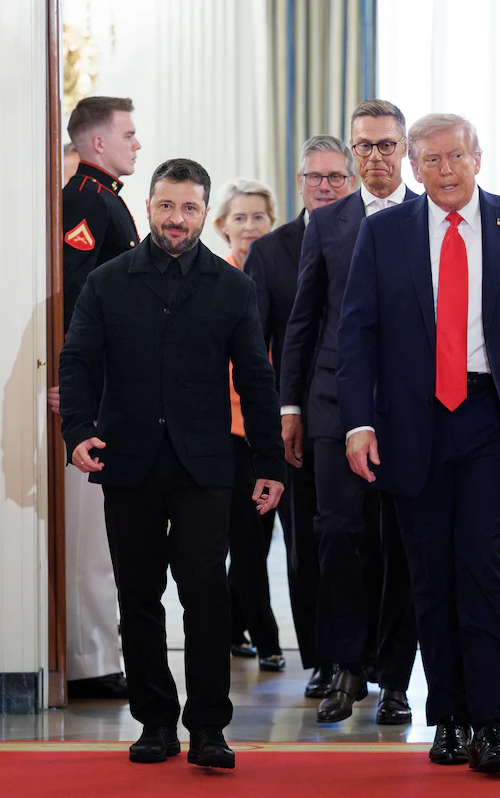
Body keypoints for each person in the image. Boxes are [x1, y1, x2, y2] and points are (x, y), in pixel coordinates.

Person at [337, 113, 500, 773]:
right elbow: (356, 334)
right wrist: (358, 422)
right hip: (410, 424)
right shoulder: (384, 232)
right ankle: (448, 716)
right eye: (432, 161)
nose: (446, 171)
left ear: (478, 158)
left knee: (484, 565)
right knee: (430, 574)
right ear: (413, 168)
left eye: (457, 157)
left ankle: (493, 722)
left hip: (493, 416)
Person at [59, 158, 285, 769]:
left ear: (204, 212)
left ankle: (209, 727)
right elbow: (77, 361)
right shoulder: (107, 282)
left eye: (188, 207)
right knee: (138, 596)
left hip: (205, 468)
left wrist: (269, 461)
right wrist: (76, 430)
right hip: (127, 463)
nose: (176, 218)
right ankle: (155, 722)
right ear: (150, 208)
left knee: (206, 595)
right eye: (166, 205)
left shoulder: (233, 287)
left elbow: (257, 379)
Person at [280, 99, 418, 725]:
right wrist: (290, 405)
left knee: (401, 545)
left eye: (386, 145)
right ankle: (345, 666)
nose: (375, 157)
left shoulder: (428, 215)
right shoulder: (328, 221)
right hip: (333, 404)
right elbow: (303, 320)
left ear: (404, 148)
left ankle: (395, 678)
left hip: (409, 409)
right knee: (337, 536)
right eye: (364, 145)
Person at [244, 135, 358, 697]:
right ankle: (322, 658)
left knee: (362, 542)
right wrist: (274, 424)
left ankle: (368, 661)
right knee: (305, 547)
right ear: (299, 183)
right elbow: (254, 349)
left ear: (351, 182)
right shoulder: (271, 251)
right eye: (316, 177)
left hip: (363, 419)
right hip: (298, 428)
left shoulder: (373, 234)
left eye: (336, 177)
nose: (325, 187)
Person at [52, 96, 142, 701]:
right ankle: (89, 661)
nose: (137, 143)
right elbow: (77, 296)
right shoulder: (87, 198)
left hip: (114, 384)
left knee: (107, 538)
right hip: (98, 389)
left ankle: (100, 653)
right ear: (99, 142)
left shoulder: (105, 196)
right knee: (91, 539)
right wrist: (79, 385)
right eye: (128, 134)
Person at [211, 178, 285, 672]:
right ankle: (267, 636)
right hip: (229, 428)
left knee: (260, 534)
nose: (250, 226)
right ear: (223, 225)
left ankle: (235, 626)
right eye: (240, 217)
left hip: (275, 425)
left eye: (259, 216)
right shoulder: (217, 279)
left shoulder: (281, 276)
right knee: (247, 537)